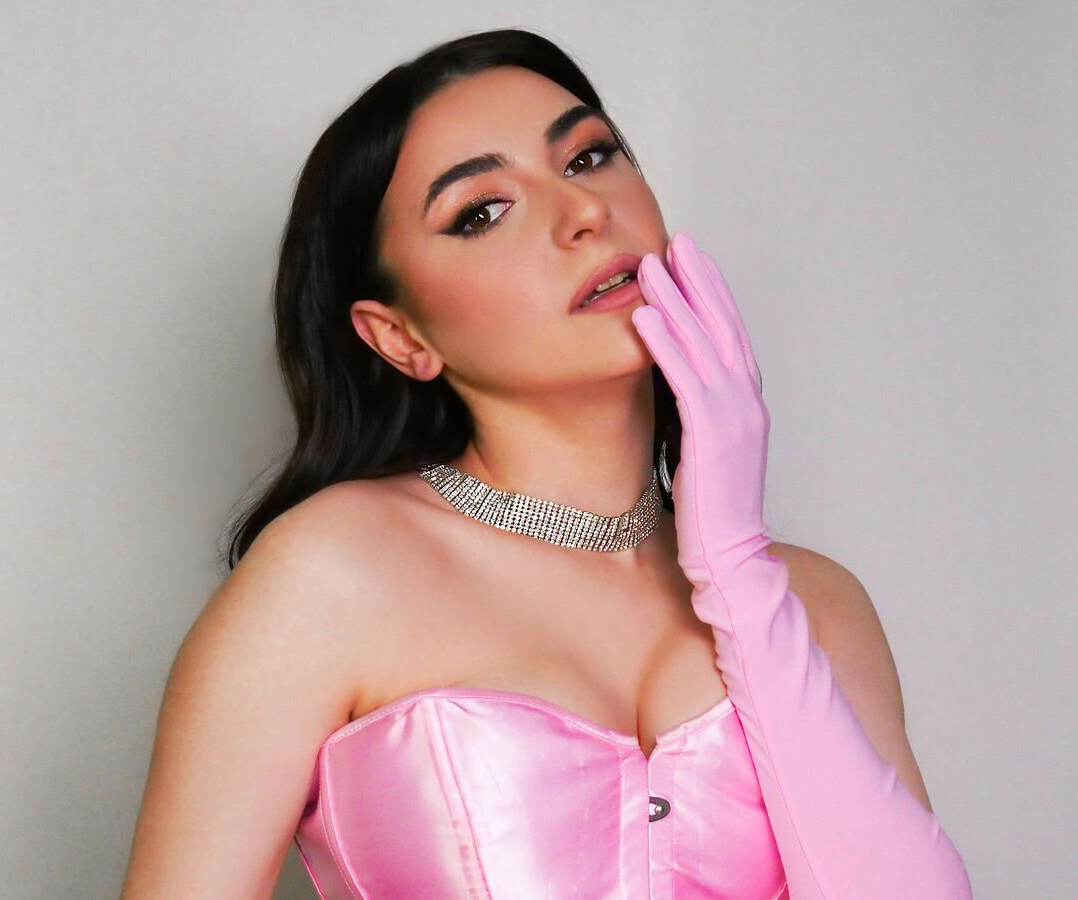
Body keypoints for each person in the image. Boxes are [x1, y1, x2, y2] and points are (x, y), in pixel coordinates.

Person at [121, 28, 971, 899]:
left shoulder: (816, 603)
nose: (583, 213)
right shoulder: (326, 577)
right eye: (481, 212)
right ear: (400, 337)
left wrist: (736, 570)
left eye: (589, 157)